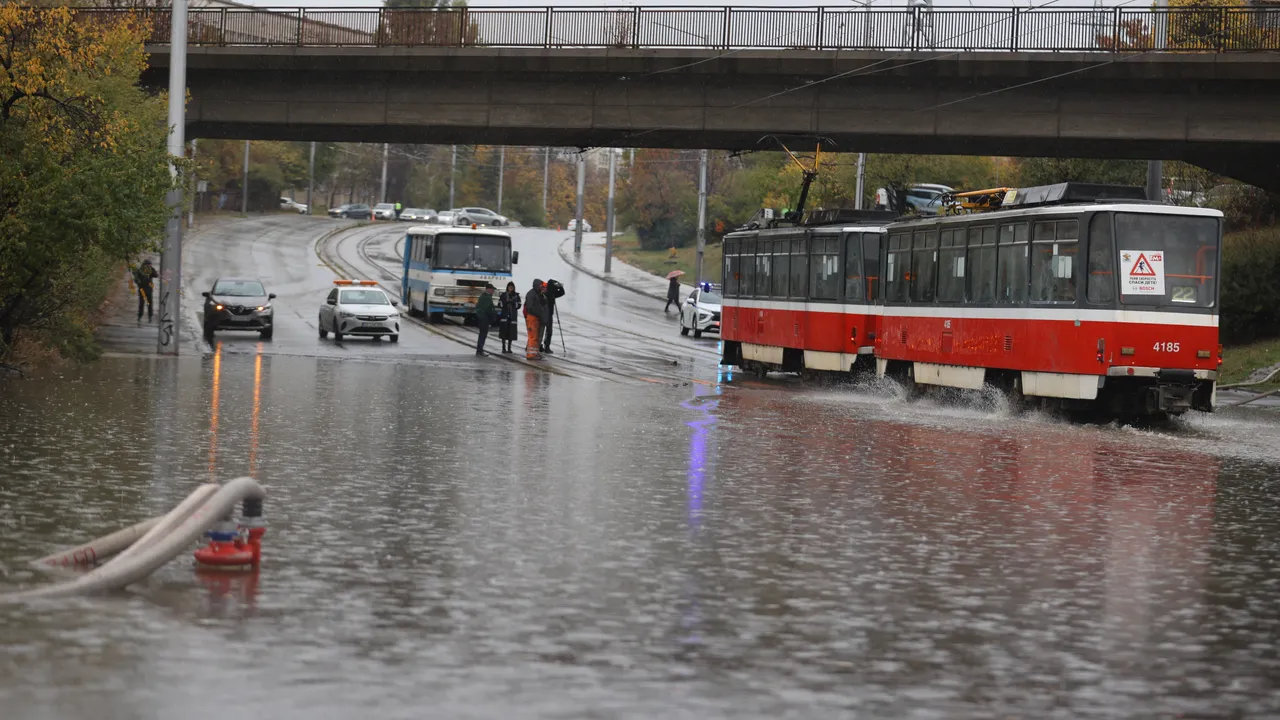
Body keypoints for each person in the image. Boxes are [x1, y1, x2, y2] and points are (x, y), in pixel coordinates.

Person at [524, 278, 549, 361]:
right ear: (537, 285)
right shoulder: (531, 294)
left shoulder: (536, 294)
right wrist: (537, 313)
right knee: (532, 337)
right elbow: (530, 307)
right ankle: (531, 354)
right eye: (540, 286)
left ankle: (534, 353)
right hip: (532, 317)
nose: (541, 287)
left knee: (535, 337)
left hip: (535, 317)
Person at [498, 281, 522, 354]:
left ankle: (509, 348)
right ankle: (503, 348)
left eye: (512, 288)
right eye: (509, 287)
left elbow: (519, 305)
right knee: (504, 333)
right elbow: (499, 304)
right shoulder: (503, 295)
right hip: (505, 316)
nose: (510, 289)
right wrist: (505, 303)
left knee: (511, 333)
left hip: (512, 317)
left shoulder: (516, 296)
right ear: (507, 288)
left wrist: (514, 303)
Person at [541, 278, 564, 354]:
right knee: (545, 331)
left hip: (548, 314)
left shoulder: (551, 293)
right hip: (544, 314)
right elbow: (561, 292)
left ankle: (544, 345)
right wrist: (559, 286)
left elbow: (562, 292)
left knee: (546, 331)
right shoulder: (547, 293)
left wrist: (559, 286)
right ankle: (545, 346)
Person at [474, 284, 497, 356]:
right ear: (488, 289)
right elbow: (489, 309)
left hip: (482, 318)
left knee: (482, 334)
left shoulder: (483, 296)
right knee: (483, 335)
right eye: (492, 290)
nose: (493, 291)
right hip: (484, 318)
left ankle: (479, 350)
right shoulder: (487, 297)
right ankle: (479, 351)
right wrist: (493, 316)